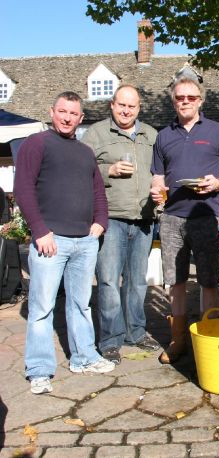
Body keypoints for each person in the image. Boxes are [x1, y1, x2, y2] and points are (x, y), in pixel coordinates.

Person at [14, 91, 115, 395]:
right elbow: (23, 189)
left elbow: (97, 190)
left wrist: (100, 223)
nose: (67, 118)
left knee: (81, 304)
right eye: (62, 111)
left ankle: (83, 357)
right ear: (52, 111)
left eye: (73, 113)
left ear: (81, 118)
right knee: (42, 308)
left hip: (84, 240)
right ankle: (40, 370)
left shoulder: (85, 152)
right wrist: (40, 230)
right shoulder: (37, 143)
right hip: (51, 241)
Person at [150, 74, 219, 364]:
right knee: (176, 281)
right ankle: (178, 341)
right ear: (173, 100)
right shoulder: (164, 136)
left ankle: (208, 339)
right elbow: (158, 176)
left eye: (191, 97)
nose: (185, 102)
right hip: (172, 217)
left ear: (200, 100)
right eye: (179, 97)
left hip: (207, 215)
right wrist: (156, 189)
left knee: (209, 280)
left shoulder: (217, 131)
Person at [82, 84, 159, 365]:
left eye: (132, 106)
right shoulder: (96, 134)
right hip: (111, 219)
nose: (126, 111)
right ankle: (111, 339)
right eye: (121, 105)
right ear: (112, 105)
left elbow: (161, 172)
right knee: (108, 282)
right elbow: (82, 172)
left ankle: (135, 332)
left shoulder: (151, 135)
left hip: (144, 219)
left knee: (137, 282)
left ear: (139, 108)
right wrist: (109, 170)